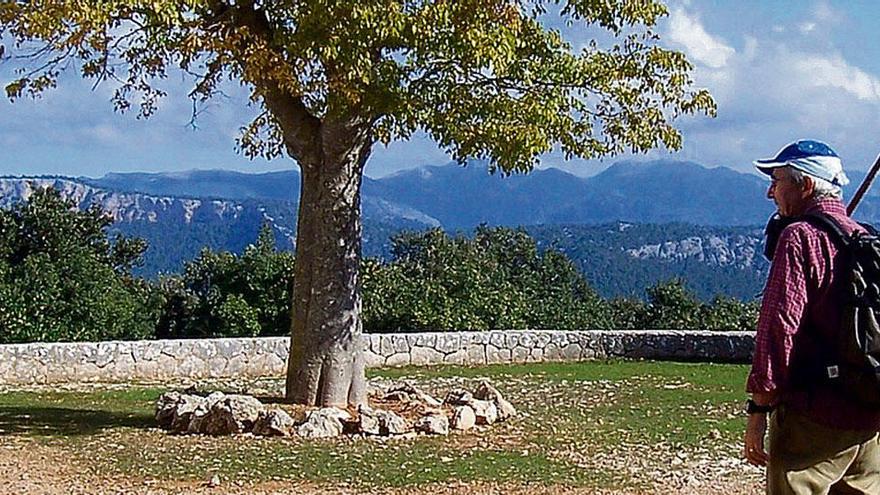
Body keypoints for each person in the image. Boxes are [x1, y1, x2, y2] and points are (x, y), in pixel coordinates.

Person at [744, 139, 880, 494]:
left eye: (777, 181)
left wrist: (758, 410)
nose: (770, 192)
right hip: (869, 414)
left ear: (805, 185)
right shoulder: (864, 238)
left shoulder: (800, 238)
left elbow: (778, 328)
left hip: (814, 418)